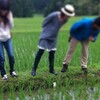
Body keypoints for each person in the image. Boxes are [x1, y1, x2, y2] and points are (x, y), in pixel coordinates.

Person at [31, 4, 75, 76]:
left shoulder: (66, 20)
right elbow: (44, 22)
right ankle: (34, 69)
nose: (69, 16)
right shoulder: (54, 15)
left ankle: (51, 69)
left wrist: (56, 30)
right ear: (64, 13)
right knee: (41, 51)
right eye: (68, 14)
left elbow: (60, 25)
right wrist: (47, 31)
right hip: (45, 36)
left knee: (52, 53)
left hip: (54, 37)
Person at [0, 0, 17, 80]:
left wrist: (8, 19)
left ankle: (12, 71)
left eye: (5, 9)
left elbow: (11, 26)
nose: (4, 11)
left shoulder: (9, 14)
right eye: (3, 9)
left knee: (11, 56)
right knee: (1, 58)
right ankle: (3, 75)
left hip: (7, 38)